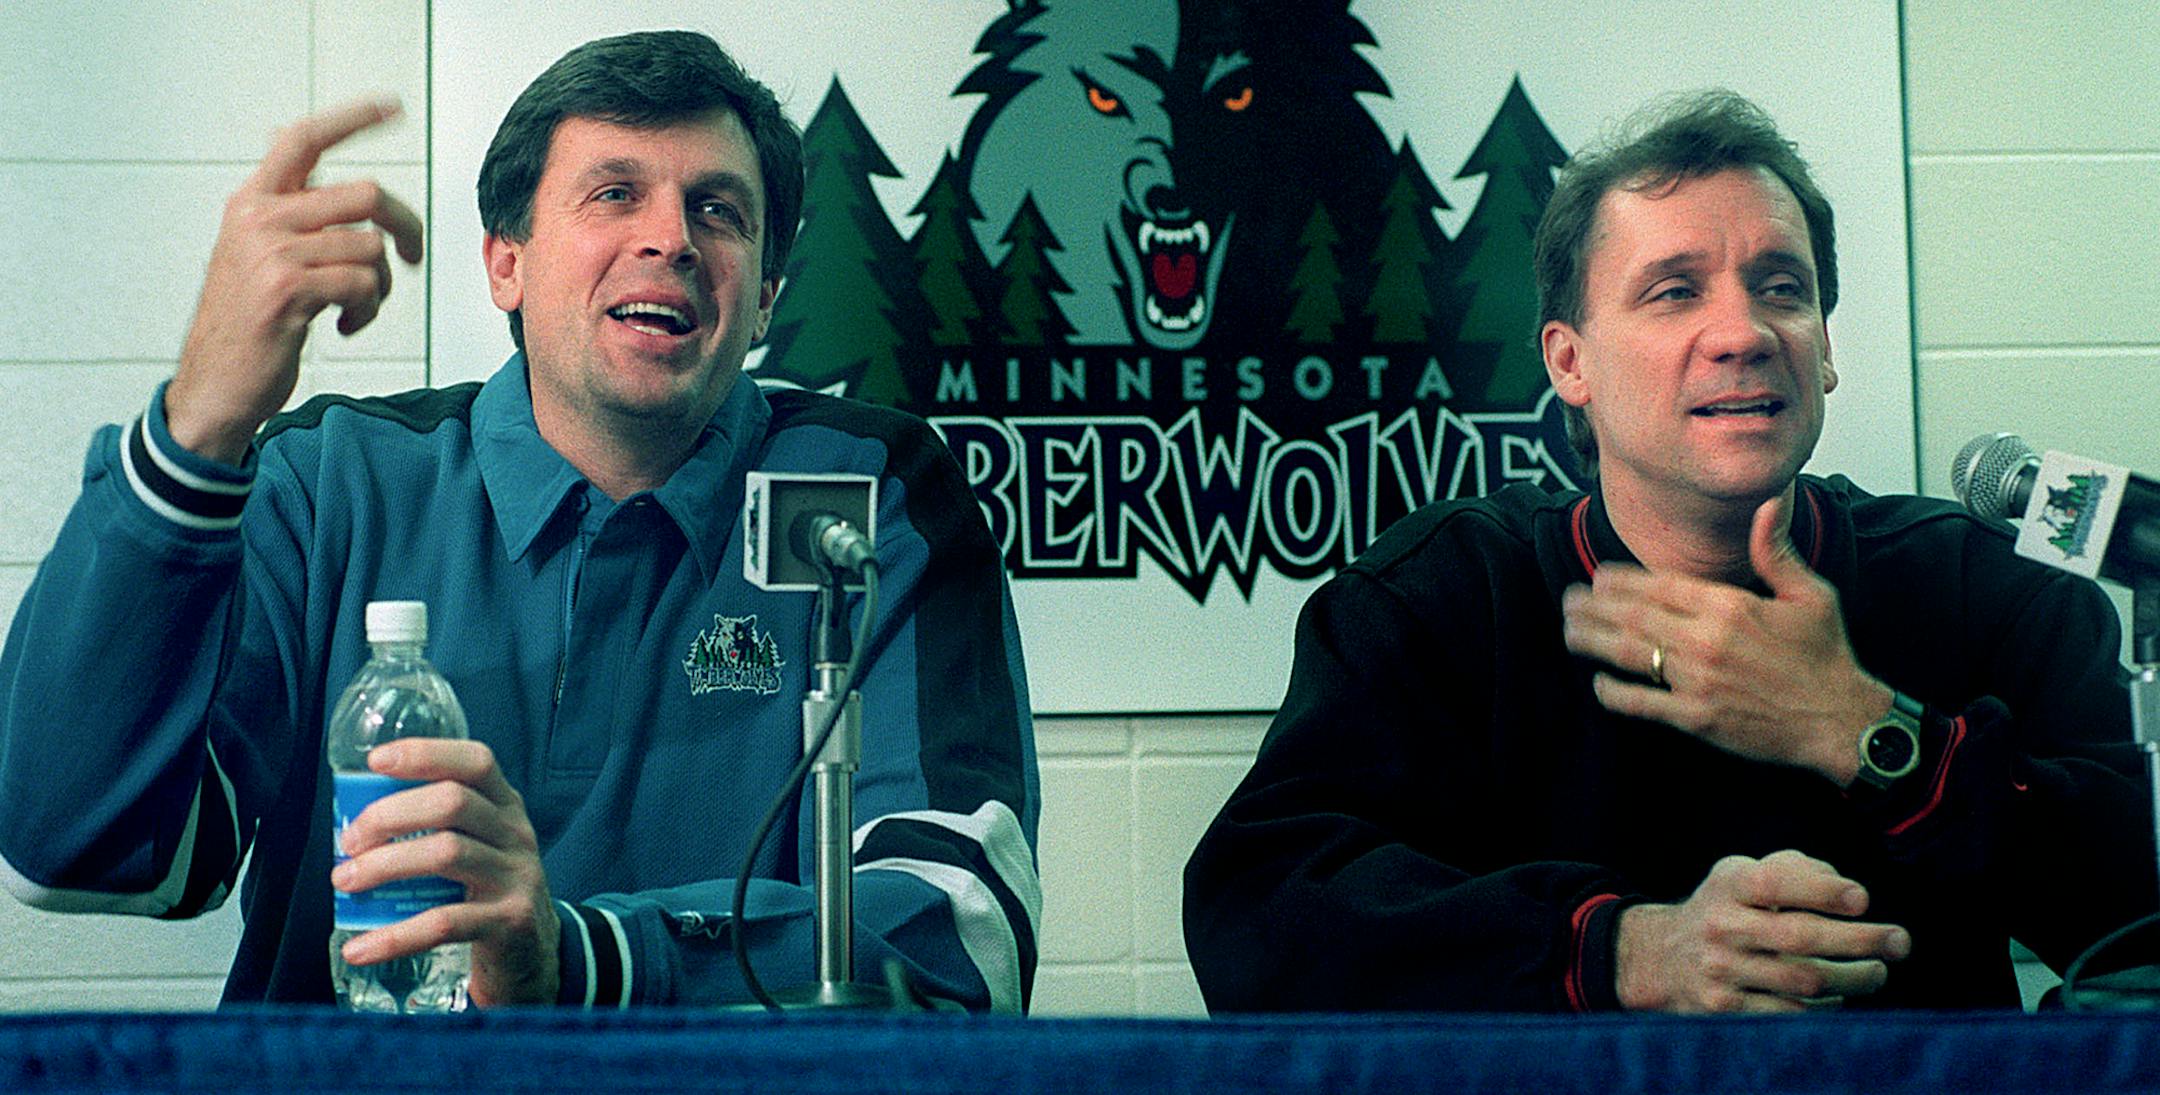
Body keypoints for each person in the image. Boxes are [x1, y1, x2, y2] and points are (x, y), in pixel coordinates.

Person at [0, 30, 1039, 1012]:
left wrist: (580, 958)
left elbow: (962, 938)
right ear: (507, 261)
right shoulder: (331, 482)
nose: (670, 239)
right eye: (615, 193)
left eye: (718, 211)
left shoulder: (877, 496)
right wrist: (200, 425)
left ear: (765, 296)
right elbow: (78, 851)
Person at [1183, 89, 2155, 1013]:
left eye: (1782, 288)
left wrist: (1871, 734)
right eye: (1674, 292)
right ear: (1571, 362)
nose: (1741, 332)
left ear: (1822, 349)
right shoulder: (1443, 596)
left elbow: (2135, 920)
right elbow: (1256, 913)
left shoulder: (1985, 590)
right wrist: (1623, 952)